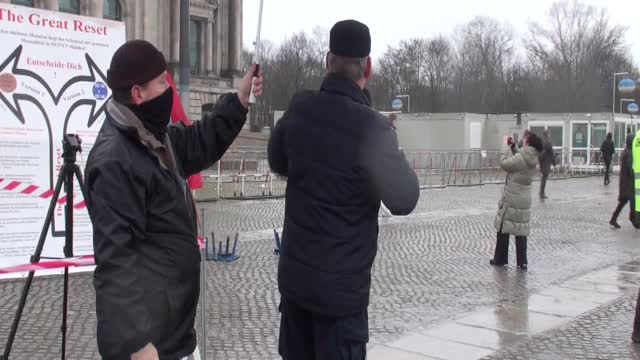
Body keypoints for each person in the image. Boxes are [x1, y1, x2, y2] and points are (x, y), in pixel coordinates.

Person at [85, 40, 262, 360]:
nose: (169, 88)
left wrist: (239, 100)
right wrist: (137, 345)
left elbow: (198, 142)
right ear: (138, 94)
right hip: (150, 345)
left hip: (174, 333)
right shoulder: (114, 160)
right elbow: (116, 262)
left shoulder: (151, 133)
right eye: (162, 82)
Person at [268, 20, 419, 360]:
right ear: (368, 67)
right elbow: (404, 198)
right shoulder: (372, 128)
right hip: (340, 300)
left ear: (327, 61)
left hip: (296, 289)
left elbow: (277, 161)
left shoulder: (301, 108)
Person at [490, 133, 544, 270]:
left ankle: (500, 258)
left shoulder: (521, 158)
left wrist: (505, 147)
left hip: (511, 197)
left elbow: (504, 164)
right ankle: (522, 261)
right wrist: (514, 146)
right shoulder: (532, 158)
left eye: (524, 139)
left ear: (527, 142)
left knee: (503, 227)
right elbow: (522, 159)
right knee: (521, 229)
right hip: (524, 199)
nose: (523, 140)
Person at [609, 133, 637, 229]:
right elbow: (630, 169)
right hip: (628, 183)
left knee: (624, 202)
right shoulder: (629, 153)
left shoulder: (627, 151)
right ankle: (634, 219)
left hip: (625, 182)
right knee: (633, 201)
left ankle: (614, 219)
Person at [539, 130, 556, 199]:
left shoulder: (541, 142)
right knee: (544, 178)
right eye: (549, 134)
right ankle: (541, 193)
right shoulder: (548, 143)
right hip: (546, 162)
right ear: (547, 135)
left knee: (543, 177)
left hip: (541, 162)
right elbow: (552, 153)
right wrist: (554, 163)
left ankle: (541, 192)